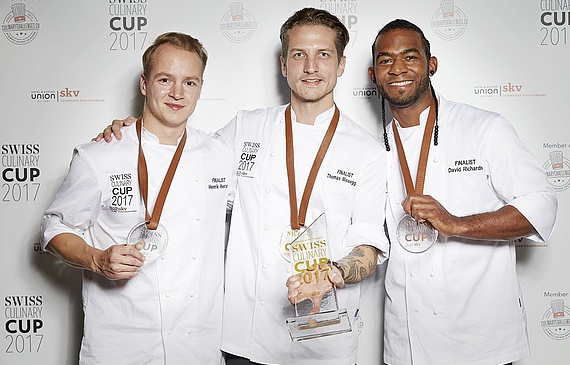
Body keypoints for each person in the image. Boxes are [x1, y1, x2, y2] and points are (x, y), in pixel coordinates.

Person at [98, 8, 389, 365]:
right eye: (299, 55)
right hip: (246, 337)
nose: (311, 67)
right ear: (284, 65)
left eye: (323, 55)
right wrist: (136, 132)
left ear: (341, 64)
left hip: (323, 337)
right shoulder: (245, 128)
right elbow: (177, 156)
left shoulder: (368, 152)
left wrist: (334, 273)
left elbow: (369, 247)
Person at [368, 19, 558, 365]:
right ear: (373, 75)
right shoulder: (370, 151)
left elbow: (542, 203)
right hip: (406, 342)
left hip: (482, 340)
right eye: (385, 60)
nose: (397, 68)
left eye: (410, 57)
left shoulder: (484, 127)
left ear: (432, 64)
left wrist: (457, 224)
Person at [40, 32, 235, 364]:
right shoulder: (99, 155)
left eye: (190, 82)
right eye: (165, 79)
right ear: (144, 84)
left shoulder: (220, 154)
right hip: (121, 345)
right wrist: (97, 259)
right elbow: (55, 228)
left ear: (200, 87)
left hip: (197, 347)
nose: (177, 93)